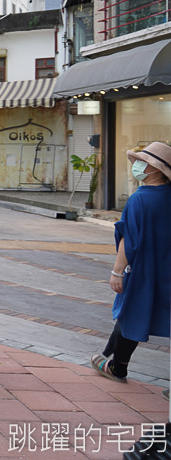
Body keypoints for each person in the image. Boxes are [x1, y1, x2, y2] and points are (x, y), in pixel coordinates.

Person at [91, 141, 171, 383]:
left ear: (156, 169)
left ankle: (118, 366)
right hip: (167, 266)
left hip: (145, 268)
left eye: (142, 162)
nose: (136, 165)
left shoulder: (140, 199)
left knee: (131, 312)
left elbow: (129, 239)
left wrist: (117, 272)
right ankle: (108, 356)